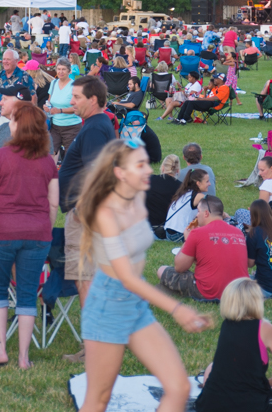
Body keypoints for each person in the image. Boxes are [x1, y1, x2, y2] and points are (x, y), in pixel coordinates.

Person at [74, 139, 212, 412]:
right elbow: (126, 277)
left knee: (179, 388)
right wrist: (177, 308)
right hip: (107, 308)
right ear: (120, 173)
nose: (148, 170)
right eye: (139, 165)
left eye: (146, 163)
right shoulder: (106, 213)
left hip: (135, 307)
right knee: (98, 400)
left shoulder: (137, 197)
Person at [0, 102, 58, 369]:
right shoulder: (48, 161)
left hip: (2, 230)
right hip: (37, 233)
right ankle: (24, 358)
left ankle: (1, 350)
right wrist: (45, 228)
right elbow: (53, 204)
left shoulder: (1, 156)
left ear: (18, 126)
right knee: (27, 294)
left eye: (11, 120)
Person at [193, 278, 272, 411]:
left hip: (209, 406)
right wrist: (269, 384)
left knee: (211, 367)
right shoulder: (264, 328)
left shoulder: (226, 325)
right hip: (252, 405)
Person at [56, 75, 116, 337]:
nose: (72, 101)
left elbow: (96, 172)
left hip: (85, 215)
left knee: (85, 280)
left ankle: (92, 343)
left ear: (93, 100)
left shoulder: (92, 129)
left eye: (76, 97)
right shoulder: (98, 124)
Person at [156, 195, 248, 301]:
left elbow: (179, 267)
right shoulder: (238, 232)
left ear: (206, 213)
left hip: (210, 291)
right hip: (240, 291)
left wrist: (187, 240)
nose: (196, 215)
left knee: (162, 270)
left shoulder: (197, 233)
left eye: (198, 211)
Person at [45, 58, 82, 157]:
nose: (61, 72)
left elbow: (77, 108)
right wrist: (47, 106)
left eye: (63, 69)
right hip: (55, 126)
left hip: (71, 126)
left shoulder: (75, 86)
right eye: (59, 69)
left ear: (69, 71)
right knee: (50, 153)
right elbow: (50, 101)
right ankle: (52, 172)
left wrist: (60, 110)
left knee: (70, 156)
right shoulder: (53, 83)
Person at [160, 168, 209, 241]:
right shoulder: (198, 196)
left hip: (168, 233)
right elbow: (215, 207)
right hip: (179, 235)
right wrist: (224, 215)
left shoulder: (184, 193)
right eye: (207, 181)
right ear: (198, 183)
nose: (209, 184)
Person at [145, 154, 182, 232]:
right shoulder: (181, 187)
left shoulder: (150, 180)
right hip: (169, 227)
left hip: (147, 225)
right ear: (178, 171)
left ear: (162, 167)